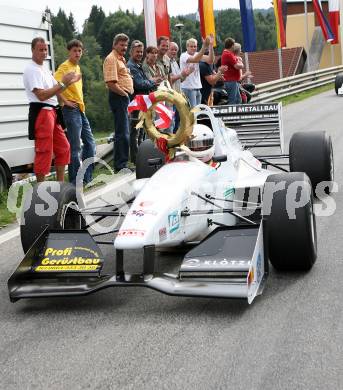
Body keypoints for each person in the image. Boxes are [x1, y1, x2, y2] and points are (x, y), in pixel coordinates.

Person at [23, 37, 80, 182]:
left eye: (45, 50)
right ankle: (41, 191)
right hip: (42, 111)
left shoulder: (44, 69)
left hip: (52, 111)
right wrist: (63, 83)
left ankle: (60, 186)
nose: (43, 53)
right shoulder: (31, 69)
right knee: (44, 151)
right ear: (32, 50)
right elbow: (41, 95)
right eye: (40, 50)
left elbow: (57, 89)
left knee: (64, 148)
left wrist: (68, 84)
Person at [54, 39, 96, 185]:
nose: (77, 53)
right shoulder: (64, 67)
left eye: (79, 51)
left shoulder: (77, 68)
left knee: (90, 143)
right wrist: (65, 102)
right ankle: (75, 181)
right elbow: (55, 87)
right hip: (71, 110)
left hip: (80, 109)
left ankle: (86, 178)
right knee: (75, 146)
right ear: (69, 52)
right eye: (74, 51)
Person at [103, 33, 134, 172]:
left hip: (123, 96)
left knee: (124, 131)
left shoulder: (121, 59)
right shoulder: (111, 59)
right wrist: (124, 95)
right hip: (119, 97)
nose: (124, 47)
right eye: (121, 45)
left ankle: (122, 163)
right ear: (114, 45)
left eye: (126, 45)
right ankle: (121, 166)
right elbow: (110, 83)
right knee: (123, 133)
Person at [127, 40, 161, 164]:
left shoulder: (138, 65)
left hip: (142, 102)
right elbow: (139, 84)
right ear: (131, 52)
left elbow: (145, 81)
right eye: (137, 52)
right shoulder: (131, 66)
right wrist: (153, 82)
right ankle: (136, 159)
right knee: (135, 132)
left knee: (140, 133)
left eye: (141, 51)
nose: (140, 54)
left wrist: (151, 81)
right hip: (137, 102)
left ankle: (140, 157)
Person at [180, 35, 215, 107]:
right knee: (193, 112)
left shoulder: (197, 54)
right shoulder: (184, 55)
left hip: (197, 87)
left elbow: (210, 60)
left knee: (197, 112)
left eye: (195, 46)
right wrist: (204, 47)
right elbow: (195, 59)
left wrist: (210, 46)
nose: (193, 48)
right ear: (187, 47)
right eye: (191, 46)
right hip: (188, 88)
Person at [167, 41, 194, 131]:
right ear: (167, 49)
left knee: (178, 121)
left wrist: (186, 74)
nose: (174, 52)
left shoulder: (175, 62)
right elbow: (170, 79)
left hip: (178, 96)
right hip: (170, 97)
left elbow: (180, 79)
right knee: (172, 122)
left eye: (176, 50)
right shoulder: (166, 62)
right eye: (172, 49)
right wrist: (181, 74)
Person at [221, 37, 244, 104]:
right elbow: (237, 66)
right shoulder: (228, 54)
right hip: (230, 81)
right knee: (233, 100)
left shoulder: (229, 54)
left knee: (238, 100)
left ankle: (236, 114)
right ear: (232, 45)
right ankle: (230, 114)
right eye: (233, 45)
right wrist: (242, 64)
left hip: (233, 81)